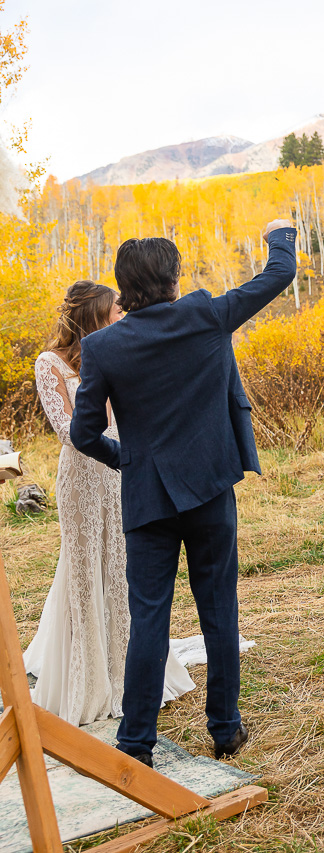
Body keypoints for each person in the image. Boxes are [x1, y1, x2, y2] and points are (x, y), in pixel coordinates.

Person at [70, 218, 297, 766]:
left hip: (147, 499)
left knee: (148, 618)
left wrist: (127, 459)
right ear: (173, 277)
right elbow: (279, 272)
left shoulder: (102, 346)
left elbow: (82, 433)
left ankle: (134, 745)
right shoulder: (206, 316)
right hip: (212, 491)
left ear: (124, 285)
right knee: (219, 610)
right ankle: (225, 729)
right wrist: (279, 232)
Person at [25, 282, 194, 725]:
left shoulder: (115, 353)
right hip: (83, 476)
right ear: (93, 316)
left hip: (124, 471)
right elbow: (68, 431)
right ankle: (88, 675)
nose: (120, 318)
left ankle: (129, 670)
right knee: (84, 566)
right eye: (113, 312)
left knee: (122, 567)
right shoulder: (50, 364)